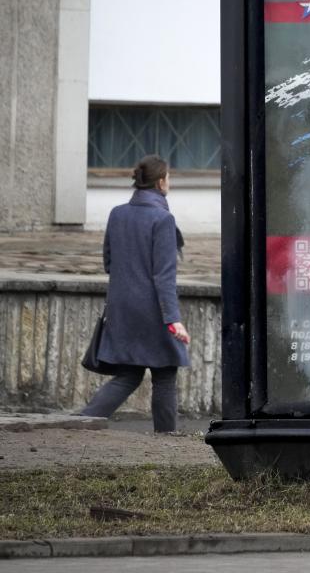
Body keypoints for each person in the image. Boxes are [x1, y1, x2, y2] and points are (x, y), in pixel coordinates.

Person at [80, 155, 191, 433]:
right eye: (169, 177)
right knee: (165, 375)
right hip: (153, 310)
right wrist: (173, 319)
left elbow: (108, 262)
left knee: (128, 374)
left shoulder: (117, 213)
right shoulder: (163, 219)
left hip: (121, 307)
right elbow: (164, 276)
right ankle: (167, 438)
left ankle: (81, 422)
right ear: (161, 181)